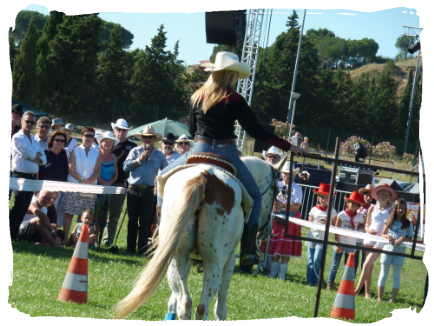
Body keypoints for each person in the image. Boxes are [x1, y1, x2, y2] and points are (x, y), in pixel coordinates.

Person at [158, 51, 306, 265]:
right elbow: (256, 131)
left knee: (162, 179)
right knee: (255, 197)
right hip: (226, 153)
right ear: (231, 74)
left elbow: (191, 129)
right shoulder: (235, 99)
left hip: (199, 148)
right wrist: (287, 145)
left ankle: (159, 230)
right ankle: (248, 246)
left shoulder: (197, 96)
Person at [2, 111, 47, 241]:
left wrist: (35, 156)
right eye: (27, 121)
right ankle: (8, 236)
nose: (30, 124)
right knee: (18, 206)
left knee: (24, 207)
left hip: (32, 176)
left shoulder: (33, 139)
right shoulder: (17, 137)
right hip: (19, 175)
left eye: (32, 122)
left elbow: (44, 159)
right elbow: (29, 154)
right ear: (22, 121)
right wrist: (35, 156)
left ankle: (15, 235)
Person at [124, 126, 167, 254]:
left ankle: (142, 249)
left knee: (145, 221)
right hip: (133, 190)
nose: (147, 139)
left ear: (154, 139)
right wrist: (139, 160)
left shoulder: (160, 155)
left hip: (149, 191)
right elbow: (125, 167)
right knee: (132, 220)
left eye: (150, 137)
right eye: (145, 137)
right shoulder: (134, 151)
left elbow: (166, 171)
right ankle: (130, 248)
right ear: (142, 138)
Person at [261, 162, 302, 280]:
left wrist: (282, 204)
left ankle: (282, 274)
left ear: (293, 175)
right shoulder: (276, 184)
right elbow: (270, 197)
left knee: (285, 245)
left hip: (290, 218)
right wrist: (274, 204)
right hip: (277, 217)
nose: (286, 176)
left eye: (289, 174)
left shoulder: (297, 189)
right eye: (284, 173)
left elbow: (297, 206)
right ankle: (273, 271)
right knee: (275, 244)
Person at [355, 183, 397, 298]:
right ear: (377, 195)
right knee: (370, 265)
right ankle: (367, 293)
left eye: (386, 194)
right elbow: (367, 225)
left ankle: (357, 290)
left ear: (389, 196)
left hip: (381, 240)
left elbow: (391, 226)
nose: (383, 196)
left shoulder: (391, 210)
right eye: (381, 194)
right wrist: (368, 230)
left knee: (367, 263)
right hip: (370, 238)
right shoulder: (371, 208)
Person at [60, 126, 101, 244]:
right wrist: (82, 180)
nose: (89, 138)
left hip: (89, 189)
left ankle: (82, 240)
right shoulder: (75, 150)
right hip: (74, 185)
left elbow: (97, 170)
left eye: (91, 136)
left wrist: (89, 182)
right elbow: (71, 168)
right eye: (87, 135)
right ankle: (65, 239)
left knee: (86, 216)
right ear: (81, 136)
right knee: (69, 214)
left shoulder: (96, 153)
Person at [102, 118, 137, 247]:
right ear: (114, 130)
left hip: (120, 184)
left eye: (124, 130)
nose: (121, 132)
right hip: (103, 183)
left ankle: (108, 239)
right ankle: (94, 238)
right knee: (100, 212)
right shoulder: (108, 143)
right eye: (118, 129)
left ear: (127, 131)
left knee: (114, 214)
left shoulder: (132, 146)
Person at [327, 191, 365, 290]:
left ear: (358, 206)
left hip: (351, 244)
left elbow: (361, 225)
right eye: (351, 202)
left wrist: (363, 226)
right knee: (335, 264)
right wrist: (337, 243)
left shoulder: (359, 216)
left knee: (348, 266)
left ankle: (346, 286)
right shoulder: (342, 215)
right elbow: (336, 229)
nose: (352, 205)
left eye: (355, 203)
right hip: (341, 242)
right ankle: (330, 284)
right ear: (347, 203)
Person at [378, 199, 413, 303]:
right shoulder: (389, 221)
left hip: (400, 253)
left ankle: (392, 299)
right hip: (387, 251)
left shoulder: (408, 224)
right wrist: (387, 236)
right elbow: (382, 234)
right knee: (383, 274)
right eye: (398, 207)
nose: (400, 210)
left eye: (403, 208)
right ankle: (379, 298)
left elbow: (410, 238)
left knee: (396, 276)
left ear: (405, 209)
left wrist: (403, 238)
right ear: (395, 208)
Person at [306, 183, 337, 286]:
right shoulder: (314, 209)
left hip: (322, 238)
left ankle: (319, 281)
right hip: (312, 236)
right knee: (310, 260)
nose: (323, 199)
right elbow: (309, 220)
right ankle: (309, 281)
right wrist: (310, 221)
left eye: (326, 197)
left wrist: (328, 224)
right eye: (321, 197)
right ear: (318, 197)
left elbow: (335, 225)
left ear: (330, 198)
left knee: (317, 259)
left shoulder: (332, 210)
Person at [38, 130, 69, 227]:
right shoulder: (44, 152)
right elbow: (37, 170)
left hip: (61, 188)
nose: (60, 142)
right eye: (57, 140)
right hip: (45, 188)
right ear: (52, 140)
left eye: (62, 141)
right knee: (44, 210)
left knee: (58, 211)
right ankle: (41, 230)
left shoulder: (66, 153)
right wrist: (37, 187)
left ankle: (55, 230)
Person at [94, 131, 119, 246]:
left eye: (110, 142)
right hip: (95, 188)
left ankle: (96, 240)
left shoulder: (114, 157)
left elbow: (116, 175)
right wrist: (100, 181)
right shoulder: (96, 154)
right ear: (100, 142)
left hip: (107, 190)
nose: (108, 144)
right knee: (92, 214)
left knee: (102, 216)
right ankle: (87, 237)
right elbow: (94, 171)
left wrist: (108, 183)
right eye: (106, 141)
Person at [355, 184, 374, 275]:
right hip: (357, 235)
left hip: (366, 236)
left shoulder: (373, 208)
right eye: (366, 194)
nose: (368, 197)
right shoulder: (358, 206)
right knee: (354, 258)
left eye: (370, 195)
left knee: (365, 260)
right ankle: (351, 279)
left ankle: (362, 284)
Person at [0, 115, 11, 232]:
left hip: (2, 173)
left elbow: (9, 165)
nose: (1, 129)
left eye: (3, 126)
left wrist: (8, 152)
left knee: (1, 202)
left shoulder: (7, 144)